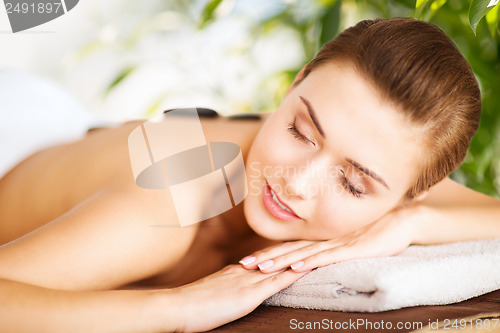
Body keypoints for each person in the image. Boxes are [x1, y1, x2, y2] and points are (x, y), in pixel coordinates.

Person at [0, 17, 499, 332]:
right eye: (302, 131)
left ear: (412, 193)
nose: (298, 183)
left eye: (352, 184)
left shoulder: (393, 173)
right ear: (298, 81)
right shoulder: (172, 200)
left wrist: (412, 225)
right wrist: (175, 310)